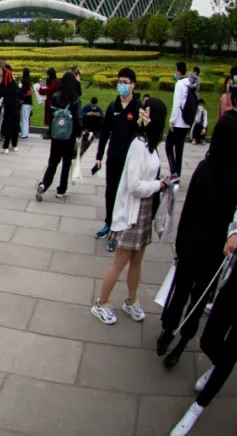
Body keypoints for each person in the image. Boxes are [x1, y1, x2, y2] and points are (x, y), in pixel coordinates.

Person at [167, 168, 237, 436]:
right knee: (209, 340)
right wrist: (234, 232)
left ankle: (198, 407)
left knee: (232, 351)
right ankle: (220, 367)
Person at [157, 108, 237, 366]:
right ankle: (183, 341)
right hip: (216, 250)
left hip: (194, 243)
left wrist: (181, 242)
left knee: (182, 289)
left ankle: (168, 331)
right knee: (199, 298)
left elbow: (189, 210)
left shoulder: (205, 168)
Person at [91, 97, 168, 326]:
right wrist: (158, 185)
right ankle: (101, 303)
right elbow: (134, 186)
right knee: (120, 262)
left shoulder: (151, 145)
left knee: (137, 260)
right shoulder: (138, 145)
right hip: (132, 211)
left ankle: (131, 300)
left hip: (144, 211)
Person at [95, 67, 142, 252]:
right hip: (113, 157)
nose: (121, 85)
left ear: (133, 85)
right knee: (111, 192)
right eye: (119, 82)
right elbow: (105, 132)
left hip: (130, 160)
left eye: (125, 82)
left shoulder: (138, 108)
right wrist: (99, 156)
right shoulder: (113, 107)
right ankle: (109, 223)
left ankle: (119, 230)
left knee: (124, 195)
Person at [36, 72, 83, 200]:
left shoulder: (56, 97)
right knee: (66, 164)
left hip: (57, 135)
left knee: (52, 162)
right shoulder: (75, 99)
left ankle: (44, 184)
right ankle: (61, 190)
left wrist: (52, 132)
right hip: (70, 136)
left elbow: (52, 116)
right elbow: (78, 119)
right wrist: (79, 134)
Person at [167, 61, 198, 177]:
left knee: (169, 146)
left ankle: (173, 171)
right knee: (179, 148)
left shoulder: (179, 84)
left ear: (179, 71)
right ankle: (178, 173)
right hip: (186, 122)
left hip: (178, 122)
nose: (174, 72)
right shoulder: (189, 82)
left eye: (175, 70)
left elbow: (177, 104)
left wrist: (172, 121)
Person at [0, 65, 21, 153]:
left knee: (8, 127)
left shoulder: (6, 85)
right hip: (15, 108)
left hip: (9, 109)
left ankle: (5, 147)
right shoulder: (14, 84)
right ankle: (14, 145)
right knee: (15, 127)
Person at [37, 68, 60, 138]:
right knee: (50, 118)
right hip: (50, 101)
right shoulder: (54, 81)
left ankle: (50, 133)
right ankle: (49, 132)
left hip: (51, 102)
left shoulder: (55, 82)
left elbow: (50, 90)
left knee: (51, 118)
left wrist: (41, 90)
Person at [19, 67, 33, 139]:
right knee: (26, 119)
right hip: (29, 103)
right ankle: (26, 132)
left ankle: (23, 134)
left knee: (23, 119)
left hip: (25, 102)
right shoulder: (29, 81)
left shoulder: (24, 81)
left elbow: (23, 91)